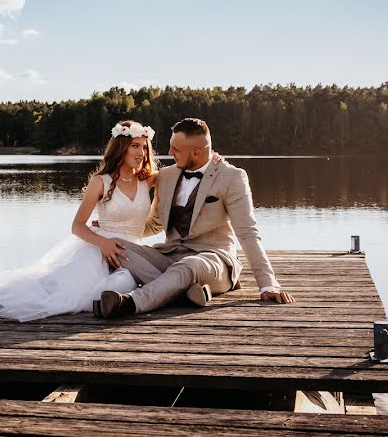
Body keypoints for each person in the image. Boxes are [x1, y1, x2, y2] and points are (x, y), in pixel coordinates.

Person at [0, 120, 159, 322]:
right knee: (67, 296)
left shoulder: (149, 181)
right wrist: (103, 243)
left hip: (133, 254)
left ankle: (109, 300)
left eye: (144, 147)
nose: (141, 152)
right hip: (99, 252)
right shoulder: (101, 182)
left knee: (123, 283)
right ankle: (102, 301)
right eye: (135, 146)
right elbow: (77, 226)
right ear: (121, 148)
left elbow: (180, 174)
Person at [97, 117, 295, 319]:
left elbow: (248, 233)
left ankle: (129, 303)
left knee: (189, 265)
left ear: (197, 153)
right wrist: (111, 227)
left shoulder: (232, 177)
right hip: (170, 256)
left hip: (213, 260)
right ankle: (181, 293)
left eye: (176, 149)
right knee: (116, 247)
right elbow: (155, 224)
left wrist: (268, 283)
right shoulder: (165, 176)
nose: (169, 153)